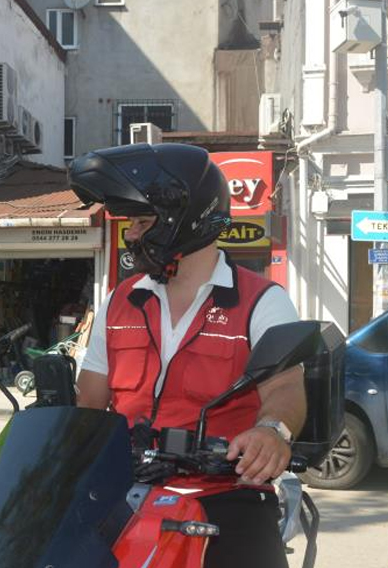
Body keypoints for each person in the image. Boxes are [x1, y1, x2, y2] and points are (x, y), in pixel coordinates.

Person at [68, 143, 306, 568]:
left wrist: (272, 431)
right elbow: (88, 404)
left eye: (142, 222)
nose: (132, 234)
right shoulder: (120, 301)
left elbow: (286, 388)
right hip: (127, 497)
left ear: (184, 219)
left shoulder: (261, 301)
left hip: (227, 496)